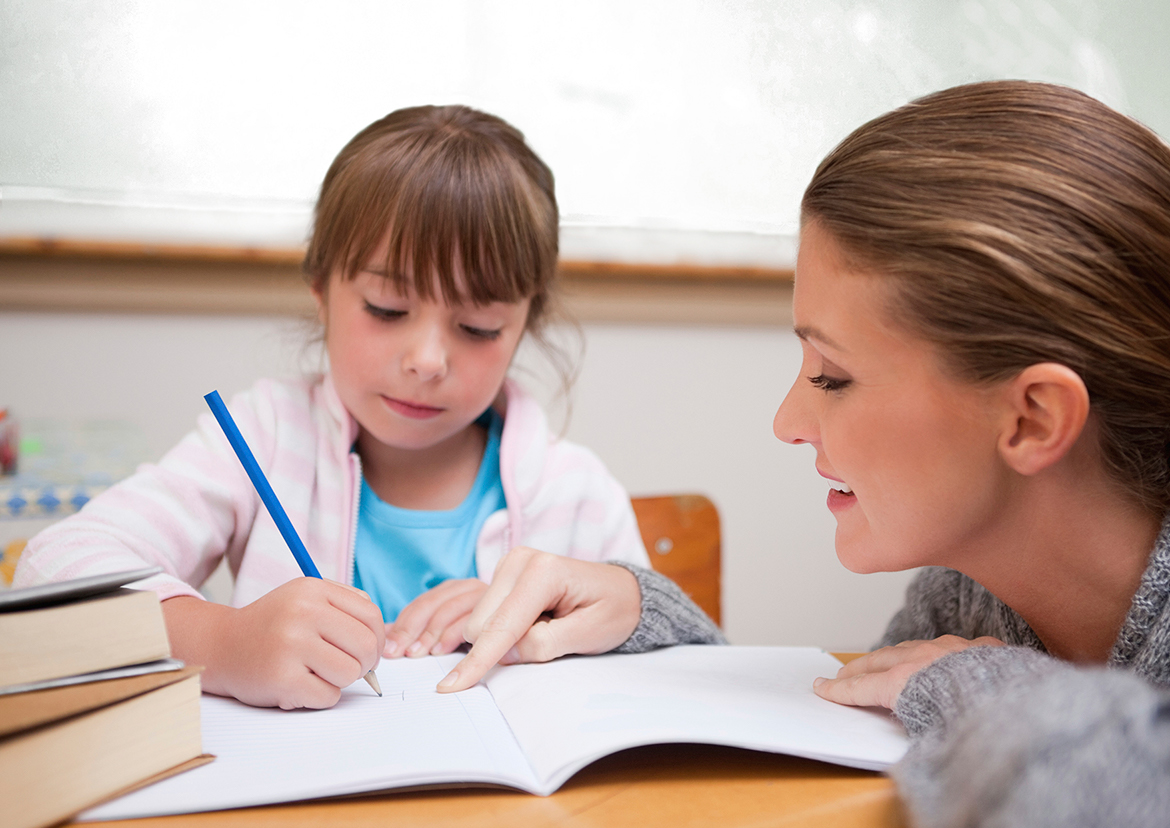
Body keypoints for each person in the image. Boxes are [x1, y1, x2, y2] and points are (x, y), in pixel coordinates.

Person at [440, 82, 1170, 828]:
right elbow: (837, 723)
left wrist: (973, 679)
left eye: (832, 377)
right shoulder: (972, 591)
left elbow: (1140, 814)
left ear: (1031, 417)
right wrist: (639, 614)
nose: (787, 421)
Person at [14, 105, 721, 712]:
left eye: (477, 326)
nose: (428, 359)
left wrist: (616, 607)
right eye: (387, 308)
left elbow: (694, 673)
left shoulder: (574, 493)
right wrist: (222, 643)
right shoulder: (259, 439)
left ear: (525, 325)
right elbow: (51, 570)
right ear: (321, 288)